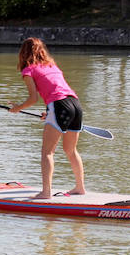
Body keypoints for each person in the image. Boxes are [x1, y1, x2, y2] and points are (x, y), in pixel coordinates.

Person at [9, 37, 86, 199]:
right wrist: (49, 112)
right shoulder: (52, 66)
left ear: (23, 54)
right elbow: (56, 90)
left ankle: (46, 192)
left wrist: (17, 108)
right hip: (75, 105)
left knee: (47, 152)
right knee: (70, 150)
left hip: (59, 106)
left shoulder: (28, 70)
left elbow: (33, 99)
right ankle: (80, 187)